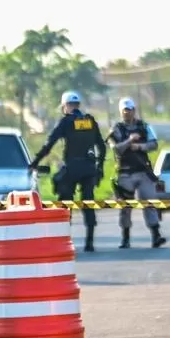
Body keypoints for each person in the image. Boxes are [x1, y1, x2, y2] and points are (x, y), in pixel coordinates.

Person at [30, 90, 106, 252]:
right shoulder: (89, 120)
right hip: (89, 168)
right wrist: (99, 167)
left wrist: (35, 162)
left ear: (65, 106)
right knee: (88, 202)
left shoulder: (66, 122)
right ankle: (90, 242)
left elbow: (49, 144)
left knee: (65, 203)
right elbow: (101, 146)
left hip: (71, 168)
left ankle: (64, 240)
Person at [107, 97, 166, 250]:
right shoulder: (116, 129)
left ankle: (156, 235)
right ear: (121, 111)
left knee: (149, 203)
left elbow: (154, 144)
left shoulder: (144, 126)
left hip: (143, 171)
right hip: (125, 173)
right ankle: (125, 238)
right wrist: (129, 141)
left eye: (130, 110)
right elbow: (115, 149)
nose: (127, 113)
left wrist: (140, 147)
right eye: (124, 110)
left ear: (134, 110)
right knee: (125, 207)